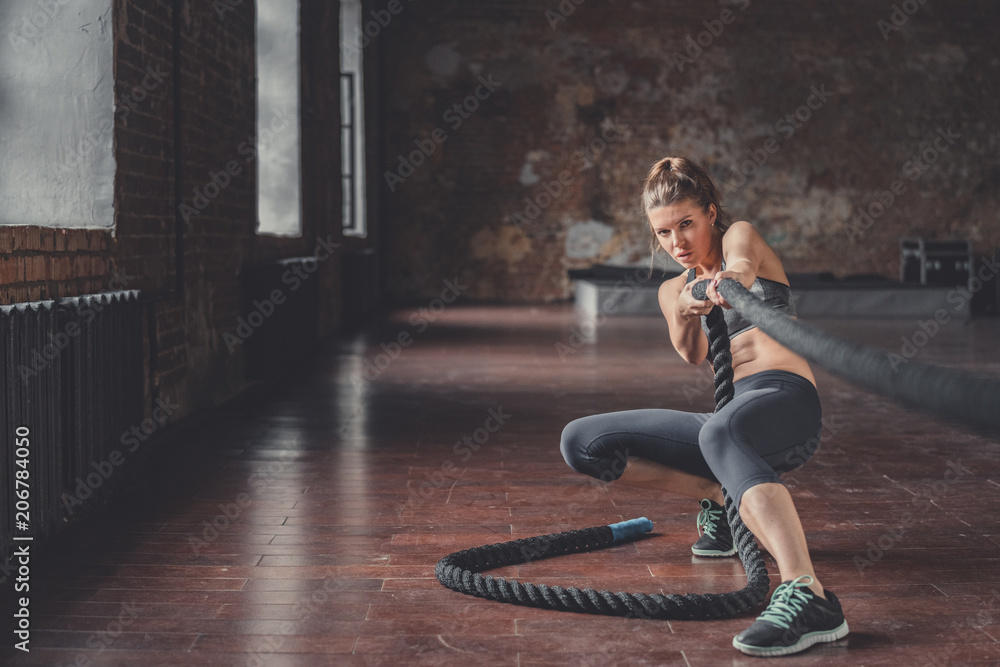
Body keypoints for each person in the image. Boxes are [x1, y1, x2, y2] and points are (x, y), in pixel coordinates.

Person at [559, 156, 849, 657]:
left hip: (785, 402)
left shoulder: (741, 234)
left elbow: (738, 266)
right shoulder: (671, 288)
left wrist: (721, 286)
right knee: (581, 441)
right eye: (664, 233)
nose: (677, 242)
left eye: (686, 224)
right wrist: (686, 306)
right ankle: (717, 494)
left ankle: (809, 594)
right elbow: (691, 351)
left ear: (711, 213)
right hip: (730, 424)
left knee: (720, 433)